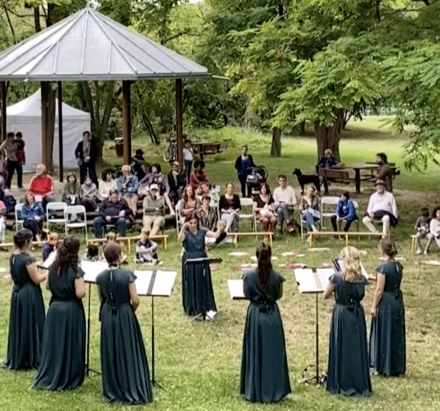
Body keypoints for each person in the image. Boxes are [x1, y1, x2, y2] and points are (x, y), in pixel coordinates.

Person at [96, 243, 153, 405]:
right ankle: (130, 383)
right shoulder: (127, 274)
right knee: (127, 348)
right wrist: (128, 311)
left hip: (108, 314)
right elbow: (135, 300)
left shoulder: (100, 277)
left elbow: (102, 299)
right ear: (119, 255)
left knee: (111, 349)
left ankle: (113, 387)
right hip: (124, 312)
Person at [240, 242, 291, 403]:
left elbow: (246, 293)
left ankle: (254, 388)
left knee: (255, 350)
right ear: (270, 257)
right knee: (272, 353)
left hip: (255, 315)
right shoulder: (277, 277)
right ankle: (273, 389)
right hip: (272, 316)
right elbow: (279, 295)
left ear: (256, 256)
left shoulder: (248, 276)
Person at [33, 237, 86, 391]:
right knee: (70, 341)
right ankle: (68, 374)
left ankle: (52, 370)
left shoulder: (52, 267)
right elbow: (80, 293)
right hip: (70, 309)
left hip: (54, 308)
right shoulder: (76, 270)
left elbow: (48, 286)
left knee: (55, 342)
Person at [323, 246, 371, 397]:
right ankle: (357, 381)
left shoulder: (337, 277)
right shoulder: (362, 278)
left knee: (341, 345)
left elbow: (326, 294)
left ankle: (340, 381)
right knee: (356, 347)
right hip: (357, 312)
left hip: (342, 313)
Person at [2, 229, 46, 370]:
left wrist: (36, 265)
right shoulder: (28, 259)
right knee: (32, 322)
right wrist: (49, 272)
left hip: (17, 292)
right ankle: (32, 355)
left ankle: (19, 353)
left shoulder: (12, 256)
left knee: (20, 322)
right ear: (27, 242)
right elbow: (37, 279)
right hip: (29, 294)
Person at [370, 239, 406, 377]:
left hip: (387, 302)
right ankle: (396, 365)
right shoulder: (398, 265)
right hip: (397, 299)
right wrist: (374, 278)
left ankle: (383, 365)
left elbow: (380, 289)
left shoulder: (383, 267)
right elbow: (391, 281)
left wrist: (373, 306)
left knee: (385, 331)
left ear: (382, 249)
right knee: (395, 332)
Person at [178, 212, 225, 317]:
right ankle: (192, 307)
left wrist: (220, 228)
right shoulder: (185, 233)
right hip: (189, 259)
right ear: (187, 223)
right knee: (191, 282)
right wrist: (182, 228)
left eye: (195, 222)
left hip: (201, 258)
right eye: (191, 223)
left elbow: (215, 235)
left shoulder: (202, 230)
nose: (193, 225)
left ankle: (204, 306)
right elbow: (180, 239)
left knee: (202, 282)